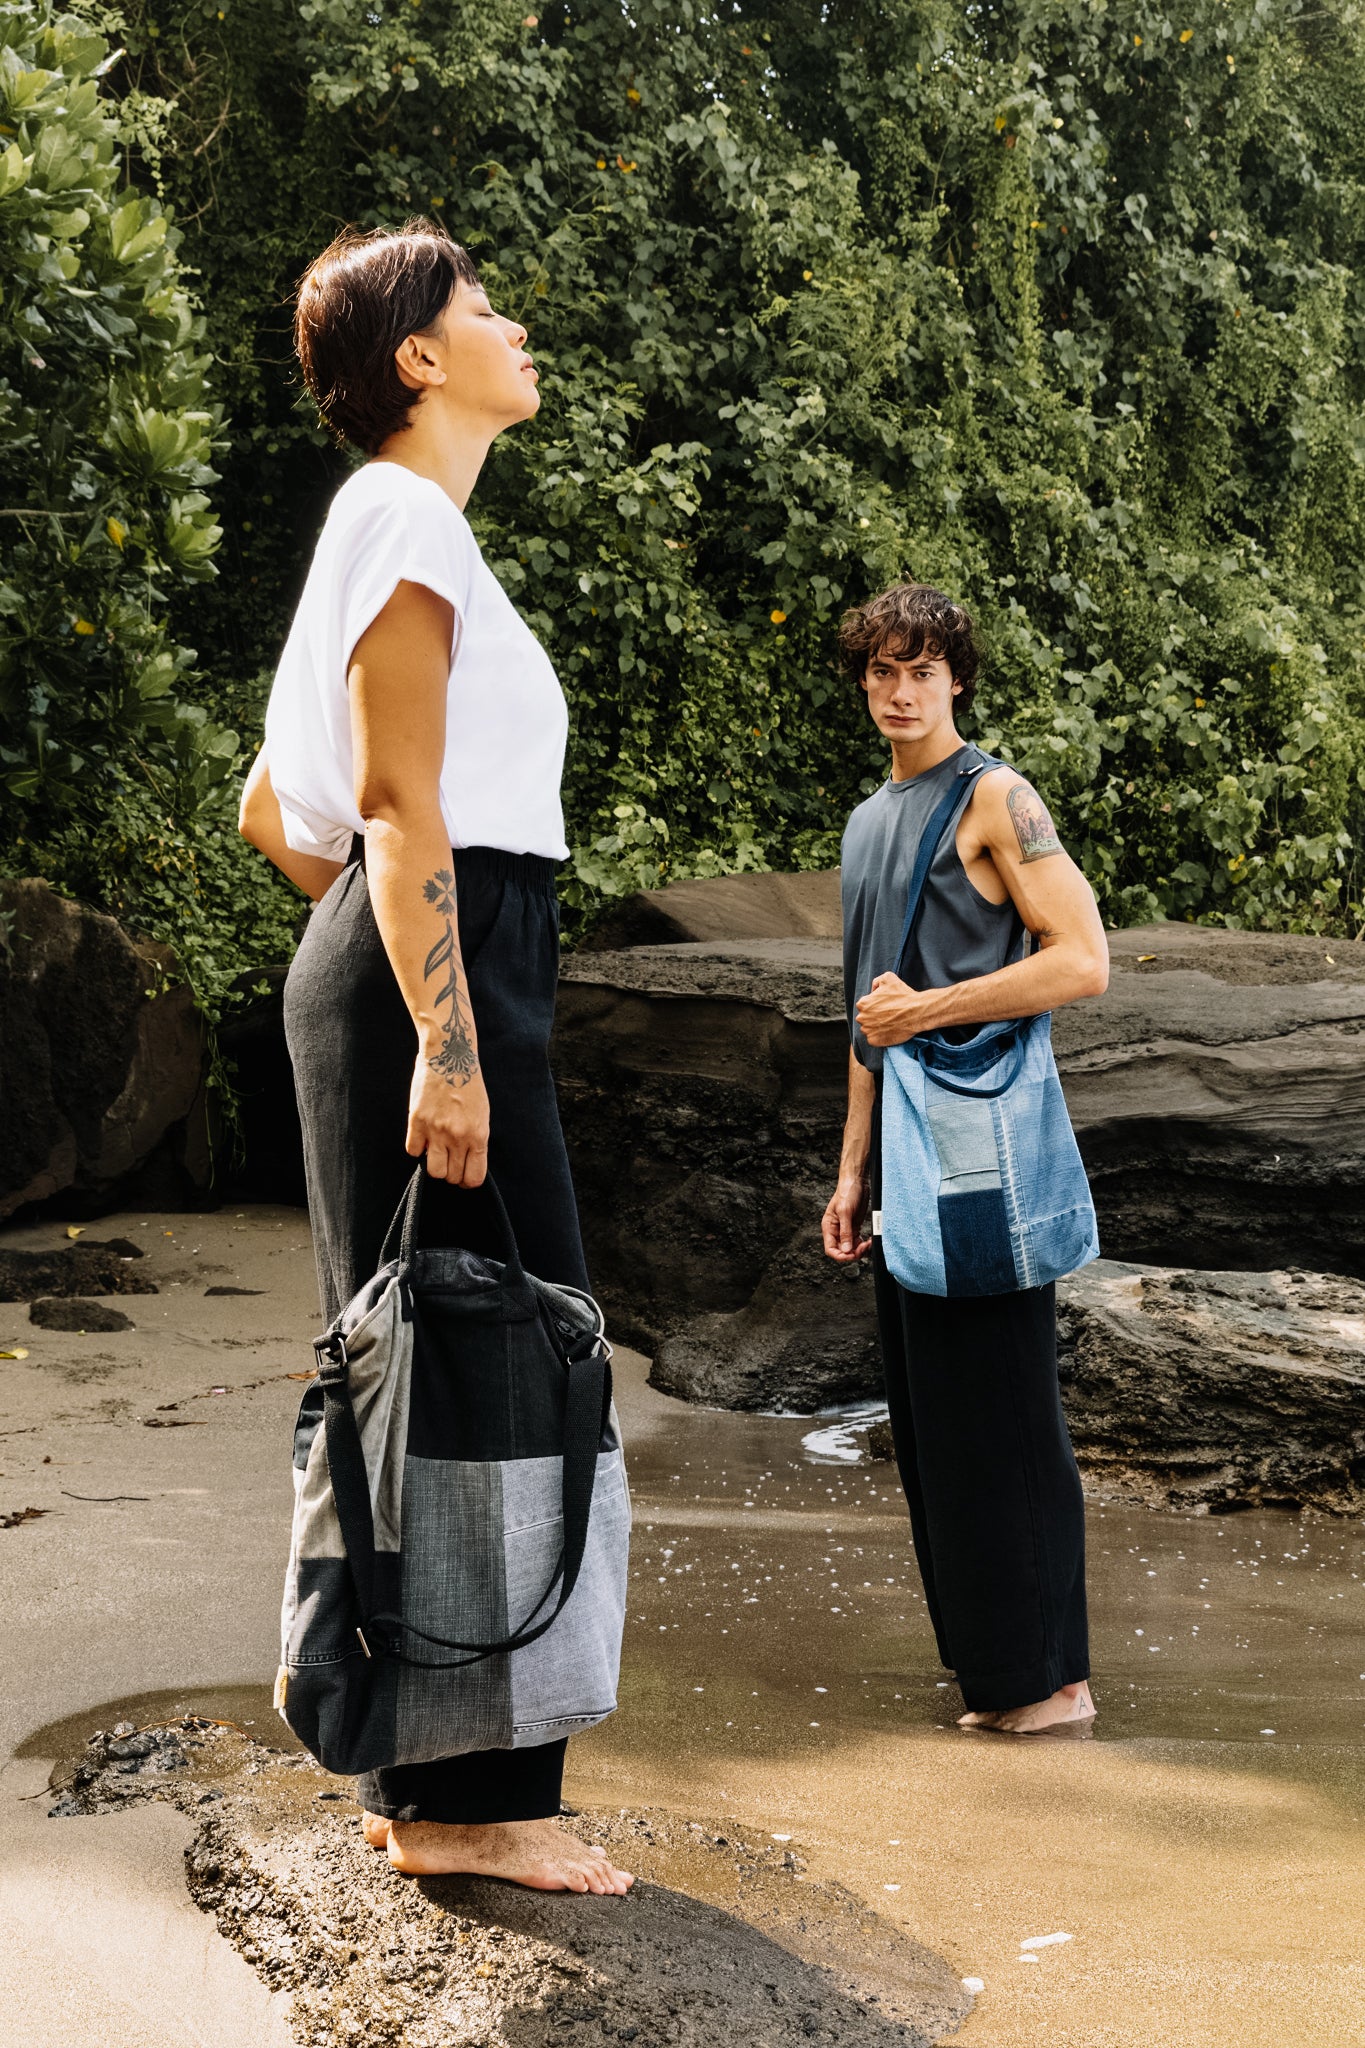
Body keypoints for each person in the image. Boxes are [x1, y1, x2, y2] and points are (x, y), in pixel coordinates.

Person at [238, 219, 633, 1892]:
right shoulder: (401, 514)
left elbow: (275, 810)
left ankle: (441, 1781)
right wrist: (441, 1030)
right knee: (483, 1358)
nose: (514, 326)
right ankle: (462, 1802)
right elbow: (395, 806)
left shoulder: (399, 526)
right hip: (444, 966)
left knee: (461, 1357)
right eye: (484, 305)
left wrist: (386, 958)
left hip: (423, 955)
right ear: (418, 356)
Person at [821, 581, 1109, 1733]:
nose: (902, 691)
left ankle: (1055, 1681)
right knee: (935, 1427)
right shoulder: (865, 823)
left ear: (956, 681)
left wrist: (930, 1008)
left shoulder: (997, 796)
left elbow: (1082, 957)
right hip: (902, 1158)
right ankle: (999, 1676)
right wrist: (852, 1170)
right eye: (883, 671)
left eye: (922, 671)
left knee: (1005, 1414)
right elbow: (865, 1015)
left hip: (982, 1152)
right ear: (864, 682)